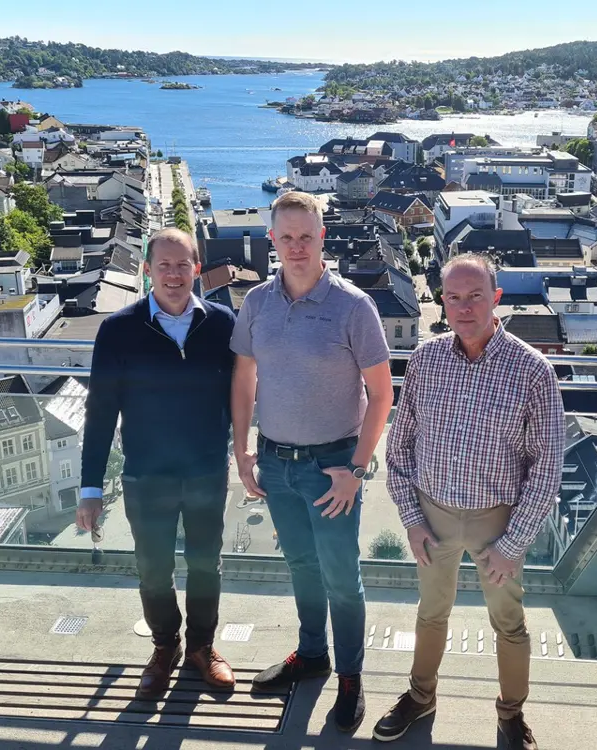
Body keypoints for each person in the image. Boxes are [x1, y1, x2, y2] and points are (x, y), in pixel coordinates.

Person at [376, 253, 564, 750]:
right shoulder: (426, 359)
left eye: (475, 295)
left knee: (509, 624)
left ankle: (510, 714)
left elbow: (547, 469)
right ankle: (421, 698)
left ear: (495, 298)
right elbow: (399, 450)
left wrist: (513, 542)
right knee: (430, 612)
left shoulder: (532, 370)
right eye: (453, 297)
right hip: (432, 515)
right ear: (442, 301)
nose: (464, 307)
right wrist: (413, 521)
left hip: (497, 524)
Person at [231, 191, 393, 732]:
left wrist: (358, 467)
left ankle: (350, 677)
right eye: (287, 237)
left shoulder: (353, 306)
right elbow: (244, 379)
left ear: (322, 238)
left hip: (332, 469)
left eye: (306, 236)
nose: (297, 247)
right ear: (272, 241)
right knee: (300, 566)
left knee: (342, 578)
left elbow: (381, 394)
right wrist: (243, 449)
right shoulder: (256, 303)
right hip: (275, 462)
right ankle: (311, 653)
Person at [78, 227, 237, 699]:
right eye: (163, 265)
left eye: (182, 264)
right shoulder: (118, 329)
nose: (173, 274)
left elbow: (247, 396)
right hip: (146, 474)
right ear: (147, 270)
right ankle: (164, 646)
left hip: (207, 469)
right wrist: (90, 489)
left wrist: (248, 454)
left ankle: (202, 648)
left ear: (196, 269)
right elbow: (101, 411)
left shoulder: (225, 324)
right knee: (153, 568)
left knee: (207, 564)